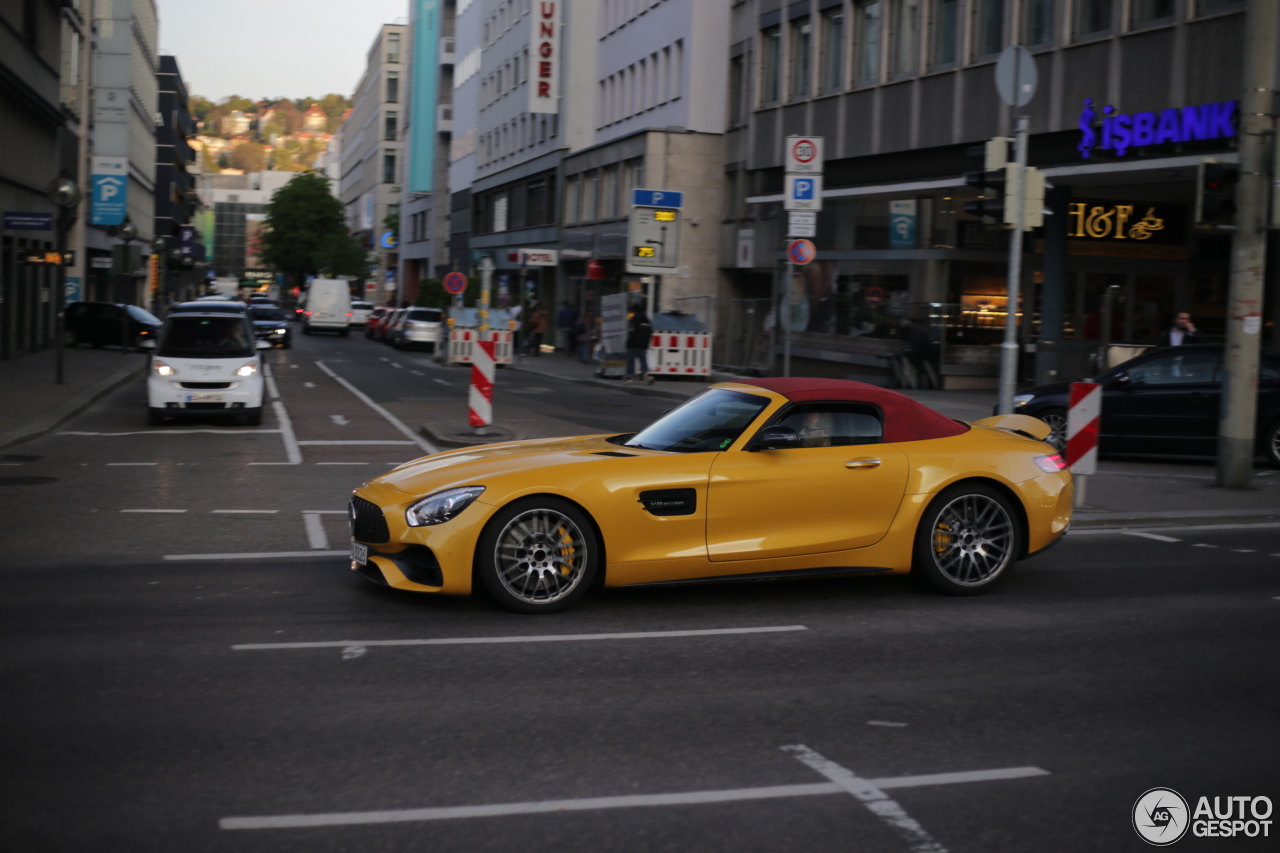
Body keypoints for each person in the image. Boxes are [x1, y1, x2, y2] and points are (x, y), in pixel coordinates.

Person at [624, 305, 653, 382]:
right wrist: (646, 344)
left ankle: (629, 376)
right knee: (643, 361)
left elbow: (632, 333)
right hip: (643, 345)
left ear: (635, 311)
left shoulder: (634, 320)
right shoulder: (647, 321)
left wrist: (628, 345)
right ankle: (646, 373)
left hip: (634, 345)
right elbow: (649, 334)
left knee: (630, 361)